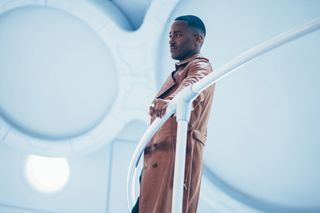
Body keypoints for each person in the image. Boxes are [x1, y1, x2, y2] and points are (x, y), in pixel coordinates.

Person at [132, 15, 215, 213]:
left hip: (175, 158)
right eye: (170, 35)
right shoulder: (178, 72)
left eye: (177, 35)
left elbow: (192, 88)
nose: (171, 40)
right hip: (157, 161)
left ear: (198, 39)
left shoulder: (200, 65)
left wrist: (171, 101)